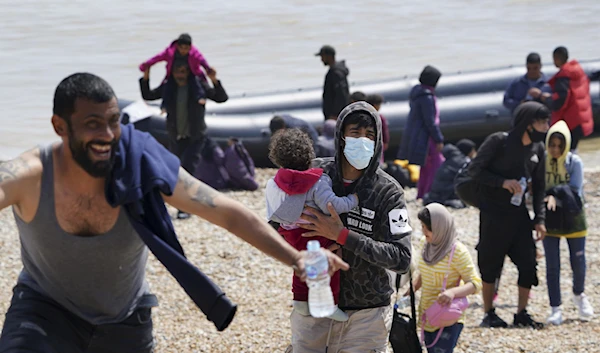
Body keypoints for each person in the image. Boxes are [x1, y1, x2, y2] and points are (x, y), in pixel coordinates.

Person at [0, 72, 349, 353]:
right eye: (92, 123)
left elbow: (226, 212)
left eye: (112, 121)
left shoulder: (139, 163)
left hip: (125, 319)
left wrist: (296, 258)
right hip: (45, 311)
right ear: (60, 127)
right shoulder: (29, 176)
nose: (107, 134)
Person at [289, 102, 412, 352]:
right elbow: (276, 220)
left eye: (370, 135)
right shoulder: (315, 174)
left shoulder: (389, 192)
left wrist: (342, 235)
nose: (363, 141)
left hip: (367, 315)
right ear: (340, 136)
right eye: (355, 133)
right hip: (315, 304)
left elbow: (401, 258)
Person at [467, 101, 549, 329]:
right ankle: (489, 313)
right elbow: (475, 170)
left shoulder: (537, 149)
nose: (546, 126)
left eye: (546, 121)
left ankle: (522, 312)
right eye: (542, 122)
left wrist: (540, 220)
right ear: (528, 124)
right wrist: (502, 182)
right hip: (493, 214)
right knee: (490, 264)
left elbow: (540, 186)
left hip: (519, 215)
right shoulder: (499, 141)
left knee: (528, 263)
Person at [266, 128, 359, 323]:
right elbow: (332, 205)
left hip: (289, 232)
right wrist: (353, 200)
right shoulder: (317, 181)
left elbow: (272, 210)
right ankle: (331, 304)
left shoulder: (276, 182)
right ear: (310, 154)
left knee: (299, 264)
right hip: (315, 232)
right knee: (327, 264)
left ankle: (300, 300)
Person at [139, 63, 228, 219]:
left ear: (189, 71)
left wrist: (214, 79)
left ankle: (185, 208)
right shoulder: (169, 87)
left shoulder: (198, 86)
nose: (180, 74)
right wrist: (146, 76)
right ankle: (183, 205)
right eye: (176, 71)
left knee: (187, 169)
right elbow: (148, 95)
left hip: (195, 136)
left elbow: (221, 98)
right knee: (175, 169)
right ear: (171, 72)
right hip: (176, 136)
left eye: (183, 70)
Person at [542, 120, 594, 325]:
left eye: (559, 146)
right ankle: (556, 307)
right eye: (552, 145)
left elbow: (575, 191)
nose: (555, 150)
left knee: (578, 262)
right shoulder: (542, 161)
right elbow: (537, 189)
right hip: (551, 219)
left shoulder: (575, 162)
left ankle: (579, 295)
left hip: (573, 218)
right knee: (552, 265)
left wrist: (554, 193)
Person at [411, 203, 482, 353]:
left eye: (427, 227)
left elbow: (475, 283)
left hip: (448, 318)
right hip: (427, 315)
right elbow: (425, 273)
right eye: (422, 226)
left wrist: (452, 293)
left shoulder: (457, 252)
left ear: (440, 227)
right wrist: (411, 290)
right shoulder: (426, 244)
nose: (423, 231)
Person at [533, 46, 594, 152]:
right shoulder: (577, 71)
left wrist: (546, 99)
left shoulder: (563, 77)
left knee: (567, 150)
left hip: (571, 121)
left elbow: (560, 101)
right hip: (580, 118)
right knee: (573, 148)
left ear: (557, 58)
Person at [397, 65, 445, 200]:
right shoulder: (427, 97)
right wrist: (438, 138)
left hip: (419, 137)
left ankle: (422, 193)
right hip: (427, 138)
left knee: (425, 167)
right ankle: (430, 193)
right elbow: (430, 121)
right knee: (436, 164)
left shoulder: (417, 93)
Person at [139, 33, 211, 94]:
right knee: (150, 95)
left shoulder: (194, 53)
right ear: (177, 46)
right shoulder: (170, 52)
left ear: (190, 47)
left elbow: (202, 60)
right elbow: (157, 58)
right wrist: (147, 64)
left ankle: (201, 99)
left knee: (204, 90)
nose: (183, 50)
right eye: (181, 47)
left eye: (186, 48)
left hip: (193, 76)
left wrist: (208, 68)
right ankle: (165, 104)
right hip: (173, 77)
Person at [424, 139, 476, 208]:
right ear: (468, 151)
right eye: (473, 150)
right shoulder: (463, 161)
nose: (474, 152)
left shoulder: (451, 157)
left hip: (436, 191)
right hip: (446, 191)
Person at [315, 45, 350, 120]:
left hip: (335, 116)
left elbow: (341, 94)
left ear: (329, 56)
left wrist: (336, 113)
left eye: (322, 56)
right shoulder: (335, 71)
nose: (321, 60)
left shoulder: (335, 72)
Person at [366, 94, 390, 162]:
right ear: (375, 105)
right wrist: (386, 141)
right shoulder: (380, 118)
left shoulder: (364, 116)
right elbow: (385, 131)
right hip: (377, 144)